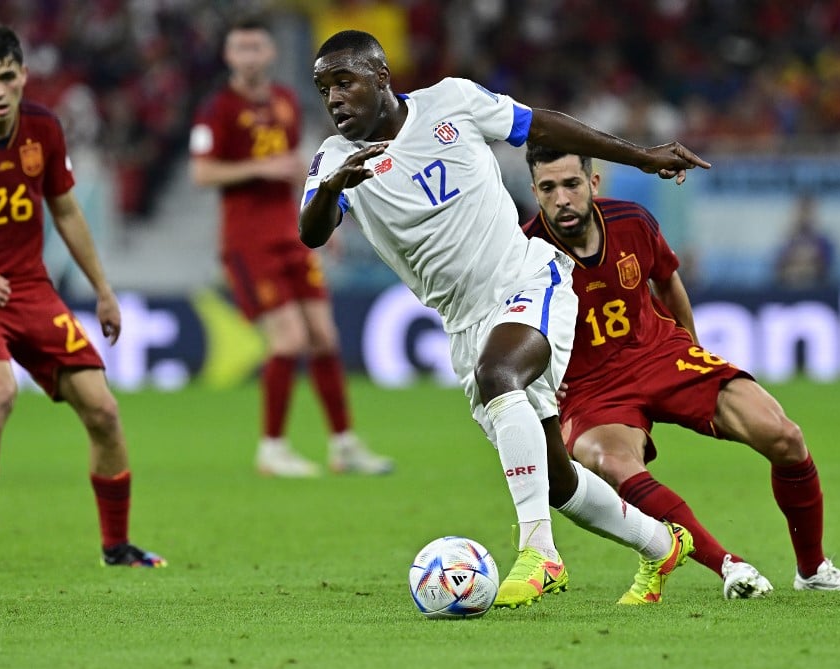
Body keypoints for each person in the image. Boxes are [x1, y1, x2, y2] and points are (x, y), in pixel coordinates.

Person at [300, 30, 710, 607]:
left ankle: (539, 553)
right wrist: (332, 191)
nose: (335, 98)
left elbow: (539, 126)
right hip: (464, 323)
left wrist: (641, 156)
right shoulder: (336, 160)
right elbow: (310, 232)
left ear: (382, 76)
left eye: (344, 81)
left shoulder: (451, 102)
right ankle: (661, 544)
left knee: (501, 376)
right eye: (324, 89)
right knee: (557, 477)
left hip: (526, 280)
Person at [520, 146, 840, 596]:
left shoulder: (633, 221)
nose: (561, 199)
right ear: (535, 192)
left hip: (658, 353)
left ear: (593, 184)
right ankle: (728, 565)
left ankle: (813, 571)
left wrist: (690, 345)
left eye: (571, 184)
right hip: (589, 388)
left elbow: (666, 281)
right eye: (548, 189)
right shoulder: (522, 252)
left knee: (784, 436)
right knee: (612, 462)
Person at [0, 26, 165, 571]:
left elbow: (65, 210)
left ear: (23, 76)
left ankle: (117, 547)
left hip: (32, 290)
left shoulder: (44, 128)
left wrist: (104, 291)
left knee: (105, 411)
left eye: (7, 77)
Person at [189, 18, 391, 478]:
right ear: (228, 56)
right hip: (248, 242)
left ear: (270, 53)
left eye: (256, 47)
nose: (248, 57)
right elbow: (201, 174)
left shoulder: (285, 102)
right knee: (290, 338)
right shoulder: (216, 110)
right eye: (240, 49)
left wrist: (329, 224)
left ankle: (344, 445)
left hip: (292, 235)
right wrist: (262, 166)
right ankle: (272, 448)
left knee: (324, 337)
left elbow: (300, 168)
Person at [773, 194, 836, 290]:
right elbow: (778, 271)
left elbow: (826, 271)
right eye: (801, 211)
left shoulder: (824, 243)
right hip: (789, 292)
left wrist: (804, 267)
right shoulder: (786, 242)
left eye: (808, 211)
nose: (804, 216)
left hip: (817, 293)